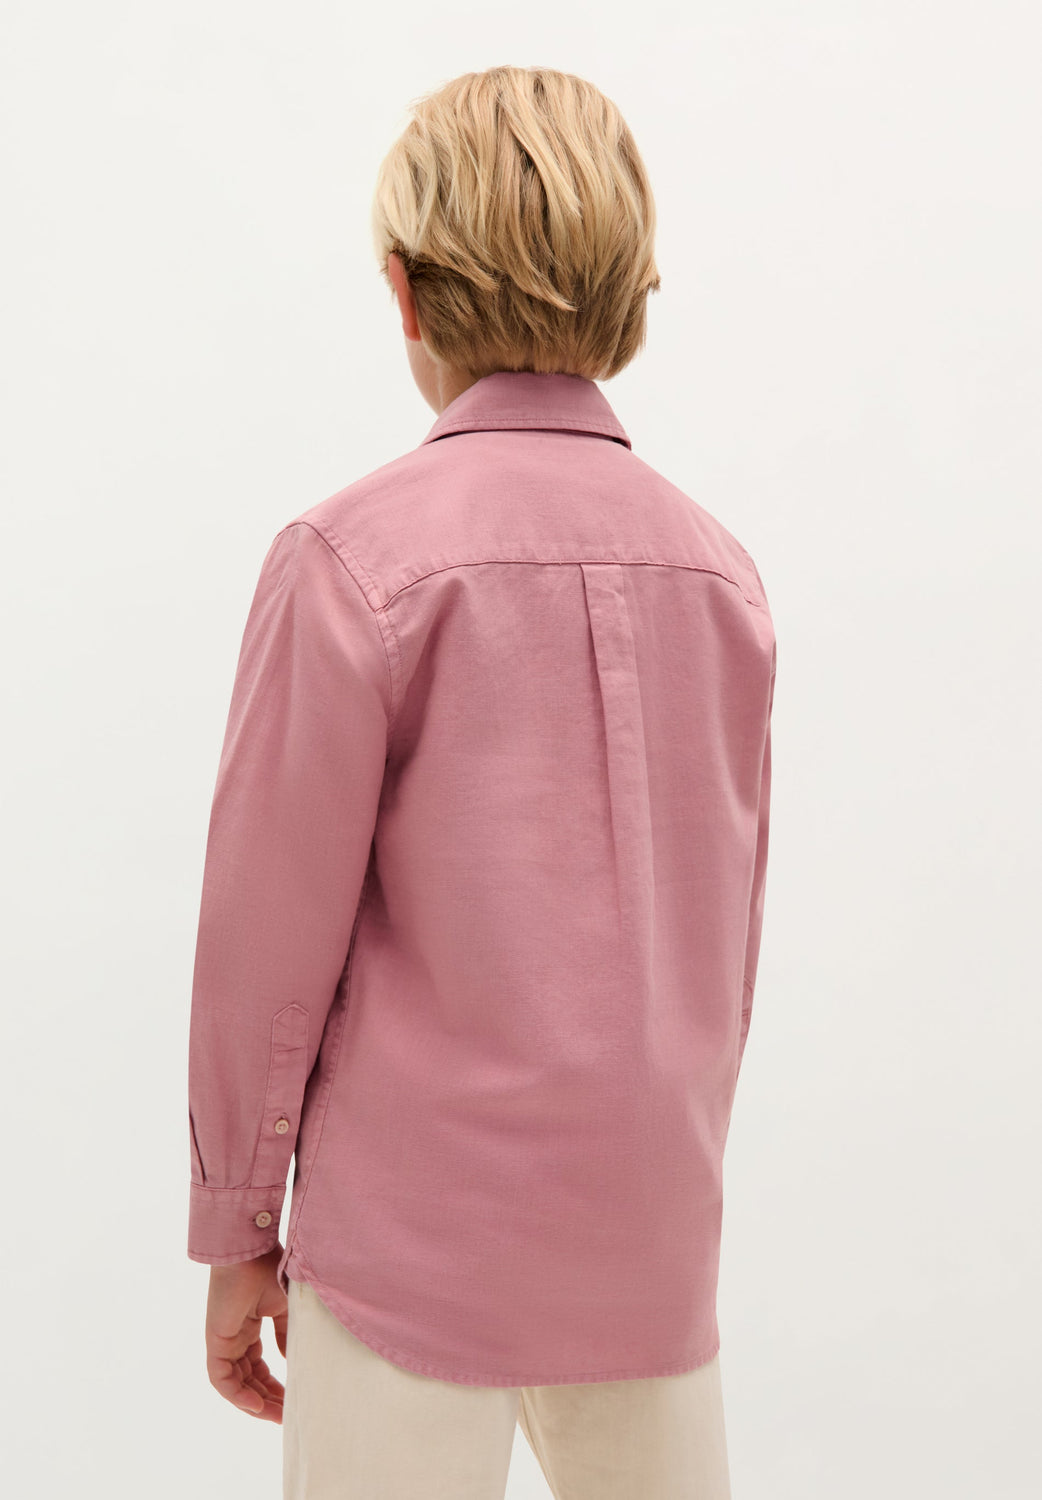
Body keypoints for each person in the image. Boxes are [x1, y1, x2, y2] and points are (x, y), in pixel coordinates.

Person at [187, 64, 776, 1500]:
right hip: (649, 1243)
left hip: (411, 1252)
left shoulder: (350, 562)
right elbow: (725, 946)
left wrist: (237, 1225)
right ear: (632, 292)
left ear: (403, 293)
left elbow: (263, 940)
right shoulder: (722, 576)